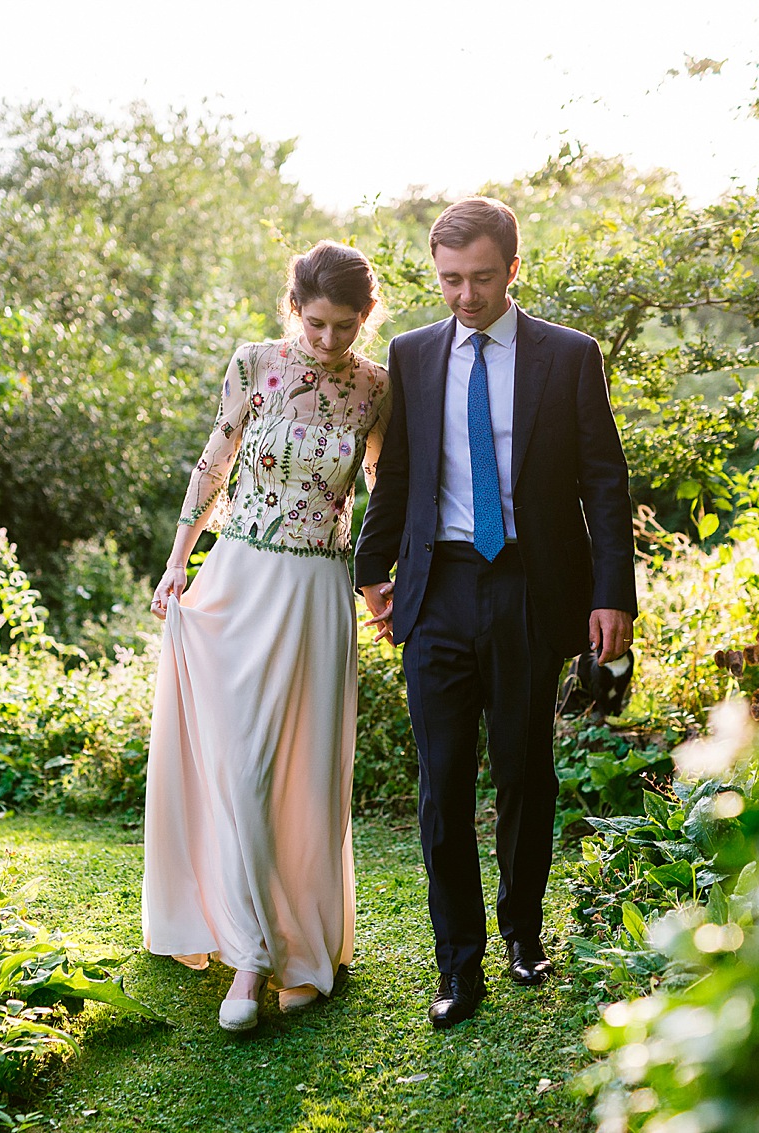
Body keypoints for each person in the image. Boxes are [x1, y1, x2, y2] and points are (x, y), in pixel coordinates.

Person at [355, 197, 636, 1030]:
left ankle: (522, 934)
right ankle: (458, 965)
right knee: (441, 783)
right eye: (450, 280)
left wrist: (612, 592)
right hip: (436, 590)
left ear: (513, 269)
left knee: (523, 771)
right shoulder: (411, 355)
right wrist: (373, 568)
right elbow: (396, 473)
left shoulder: (569, 356)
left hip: (528, 587)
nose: (465, 296)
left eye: (480, 278)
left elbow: (605, 482)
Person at [142, 241, 390, 1032]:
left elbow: (386, 500)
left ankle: (302, 946)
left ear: (364, 319)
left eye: (344, 327)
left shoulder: (378, 390)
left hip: (318, 587)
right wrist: (178, 562)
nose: (327, 341)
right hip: (239, 577)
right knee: (241, 766)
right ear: (294, 309)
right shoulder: (254, 365)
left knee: (306, 775)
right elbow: (212, 466)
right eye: (315, 323)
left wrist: (384, 588)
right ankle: (250, 953)